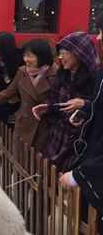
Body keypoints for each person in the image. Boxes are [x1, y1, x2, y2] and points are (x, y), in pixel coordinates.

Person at [32, 32, 100, 169]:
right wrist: (48, 106)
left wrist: (84, 105)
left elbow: (99, 108)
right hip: (58, 136)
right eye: (60, 52)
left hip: (80, 141)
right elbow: (55, 99)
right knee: (49, 176)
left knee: (69, 183)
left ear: (80, 53)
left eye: (65, 52)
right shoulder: (62, 73)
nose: (60, 57)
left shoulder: (96, 77)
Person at [60, 15, 103, 230]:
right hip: (87, 154)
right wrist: (86, 110)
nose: (99, 36)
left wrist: (80, 175)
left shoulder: (95, 74)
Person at [0, 39, 57, 154]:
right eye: (24, 55)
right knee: (20, 159)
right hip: (23, 123)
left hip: (44, 126)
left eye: (30, 56)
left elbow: (58, 100)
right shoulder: (23, 72)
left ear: (42, 56)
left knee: (38, 164)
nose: (26, 60)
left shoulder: (56, 74)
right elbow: (11, 91)